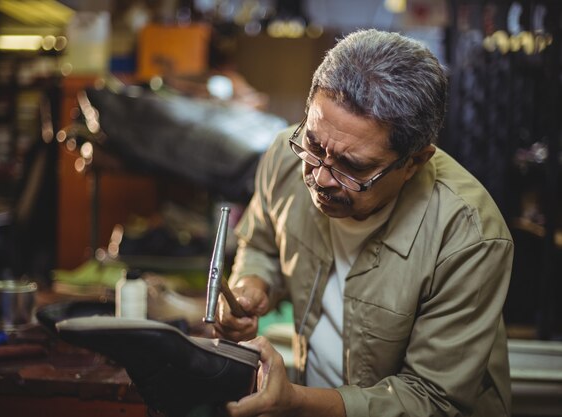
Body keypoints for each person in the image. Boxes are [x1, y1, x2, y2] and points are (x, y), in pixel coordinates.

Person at [214, 29, 513, 417]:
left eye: (353, 168)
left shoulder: (468, 236)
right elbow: (262, 244)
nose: (321, 177)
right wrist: (251, 287)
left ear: (414, 163)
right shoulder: (287, 156)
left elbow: (433, 400)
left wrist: (295, 401)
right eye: (315, 145)